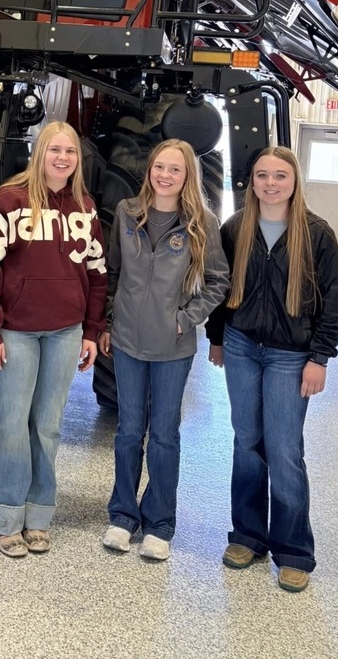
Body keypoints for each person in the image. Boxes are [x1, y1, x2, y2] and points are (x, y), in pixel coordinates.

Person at [205, 146, 338, 593]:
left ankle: (293, 550)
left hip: (291, 355)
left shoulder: (316, 235)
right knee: (247, 441)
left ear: (294, 181)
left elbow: (333, 305)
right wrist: (216, 338)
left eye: (280, 176)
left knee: (284, 450)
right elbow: (219, 286)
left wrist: (320, 358)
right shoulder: (235, 228)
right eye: (262, 175)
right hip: (242, 346)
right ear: (252, 182)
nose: (270, 183)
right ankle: (247, 535)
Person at [0, 121, 107, 558]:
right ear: (39, 153)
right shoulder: (11, 202)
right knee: (10, 422)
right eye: (54, 150)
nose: (62, 158)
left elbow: (97, 274)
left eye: (70, 152)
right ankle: (5, 515)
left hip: (66, 332)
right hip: (15, 332)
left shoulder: (85, 208)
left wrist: (91, 330)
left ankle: (39, 514)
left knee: (47, 425)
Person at [100, 139, 229, 560]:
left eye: (175, 169)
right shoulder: (127, 214)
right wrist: (107, 320)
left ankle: (159, 523)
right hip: (126, 343)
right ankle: (122, 516)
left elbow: (217, 281)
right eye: (159, 167)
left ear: (187, 175)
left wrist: (185, 318)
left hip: (173, 346)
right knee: (128, 432)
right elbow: (112, 270)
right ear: (149, 170)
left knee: (165, 435)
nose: (165, 175)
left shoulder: (201, 223)